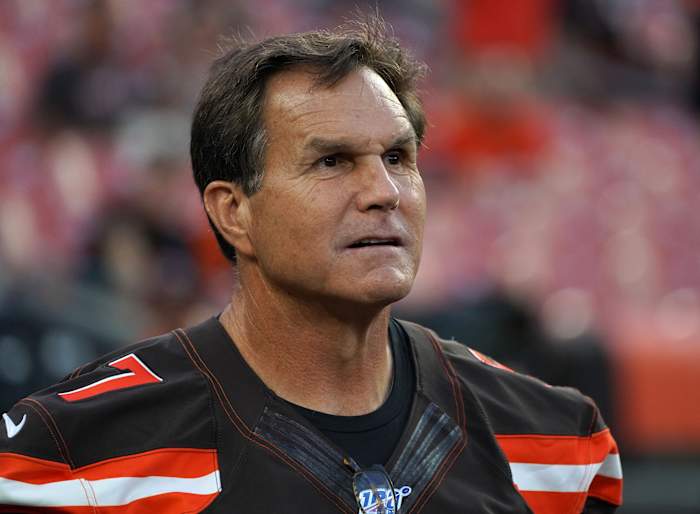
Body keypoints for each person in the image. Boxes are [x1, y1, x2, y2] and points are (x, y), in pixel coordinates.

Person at [0, 17, 622, 513]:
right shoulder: (68, 458)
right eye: (332, 162)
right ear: (233, 212)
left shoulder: (558, 445)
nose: (385, 192)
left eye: (399, 158)